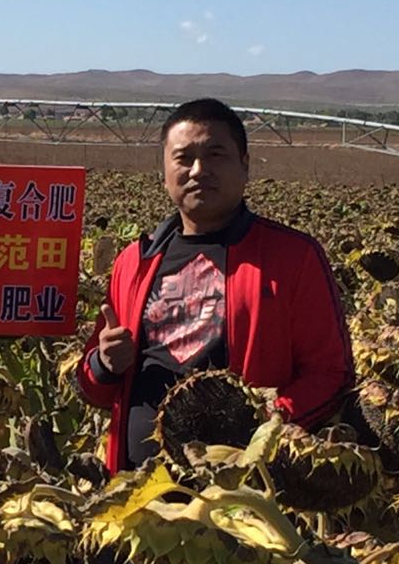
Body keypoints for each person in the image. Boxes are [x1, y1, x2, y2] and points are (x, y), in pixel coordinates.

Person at [77, 98, 354, 475]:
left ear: (244, 165)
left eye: (215, 154)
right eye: (183, 158)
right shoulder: (133, 262)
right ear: (164, 171)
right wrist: (105, 364)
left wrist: (262, 429)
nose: (198, 170)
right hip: (139, 487)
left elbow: (330, 375)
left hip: (244, 488)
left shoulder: (292, 257)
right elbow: (93, 386)